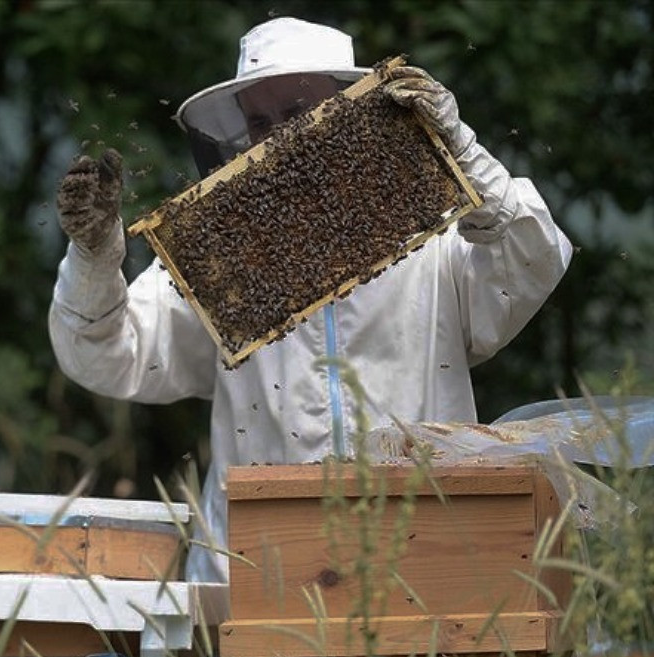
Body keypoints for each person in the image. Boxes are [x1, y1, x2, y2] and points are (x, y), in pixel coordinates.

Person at [49, 17, 573, 585]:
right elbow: (110, 354)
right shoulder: (218, 258)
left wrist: (466, 156)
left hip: (422, 560)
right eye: (260, 121)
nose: (280, 136)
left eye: (299, 110)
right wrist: (94, 260)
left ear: (350, 109)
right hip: (258, 573)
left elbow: (532, 260)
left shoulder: (436, 234)